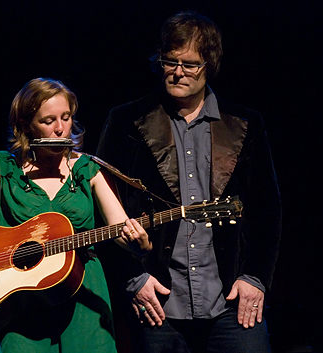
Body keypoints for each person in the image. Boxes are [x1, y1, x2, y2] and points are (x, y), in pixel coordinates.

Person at [96, 11, 282, 353]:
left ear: (209, 64)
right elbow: (102, 207)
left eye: (190, 64)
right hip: (157, 302)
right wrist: (133, 280)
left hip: (228, 300)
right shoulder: (126, 121)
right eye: (170, 61)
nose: (178, 72)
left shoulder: (244, 124)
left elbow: (267, 210)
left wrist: (255, 278)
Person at [0, 77, 152, 353]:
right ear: (26, 126)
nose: (61, 129)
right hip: (20, 303)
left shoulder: (87, 170)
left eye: (66, 117)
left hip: (83, 293)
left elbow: (121, 229)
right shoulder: (2, 167)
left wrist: (137, 244)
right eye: (48, 121)